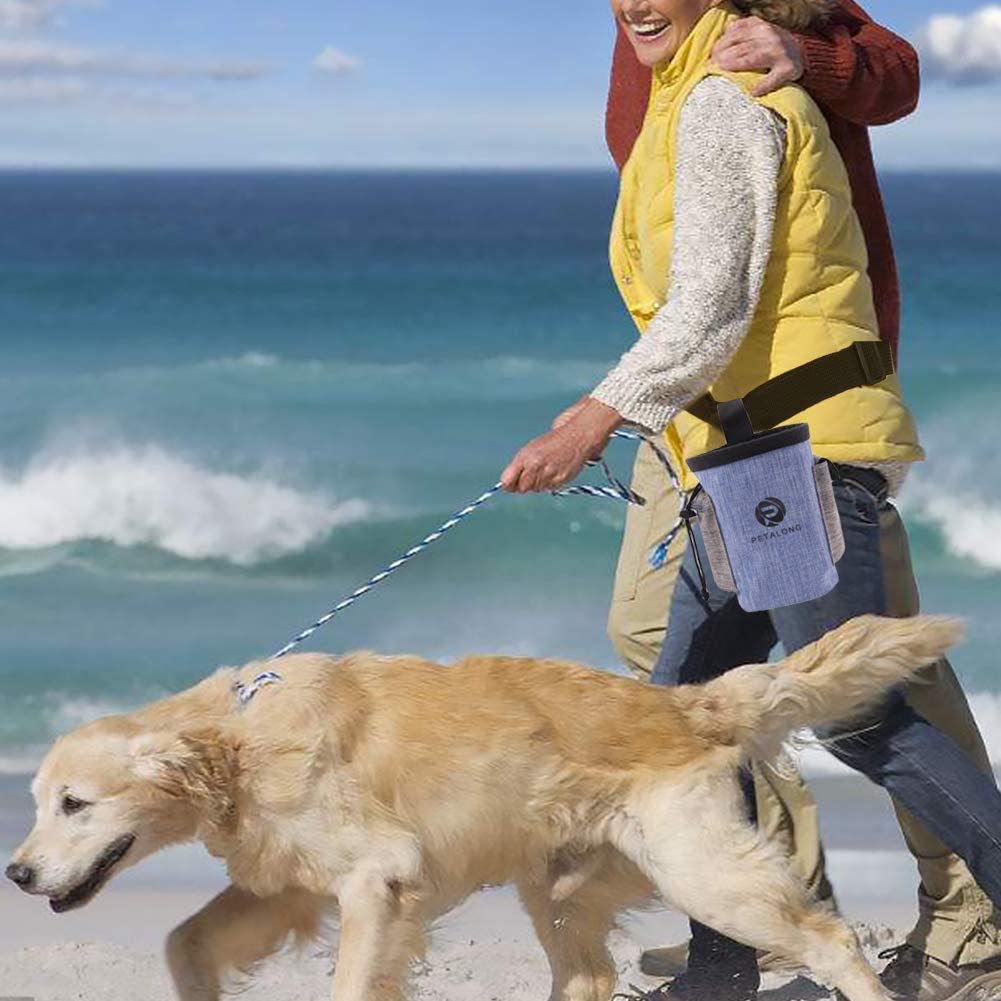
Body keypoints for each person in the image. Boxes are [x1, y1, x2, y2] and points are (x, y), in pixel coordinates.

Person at [500, 2, 1001, 1000]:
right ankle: (725, 966)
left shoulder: (726, 99)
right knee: (682, 726)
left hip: (791, 453)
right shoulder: (680, 97)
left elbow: (712, 304)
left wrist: (594, 417)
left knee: (857, 715)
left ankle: (964, 916)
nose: (635, 5)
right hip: (734, 454)